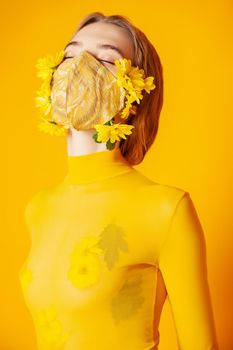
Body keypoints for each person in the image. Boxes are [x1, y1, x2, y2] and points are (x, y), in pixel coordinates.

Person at [19, 12, 219, 350]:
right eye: (69, 54)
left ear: (136, 96)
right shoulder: (38, 208)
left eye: (106, 58)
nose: (80, 65)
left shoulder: (166, 209)